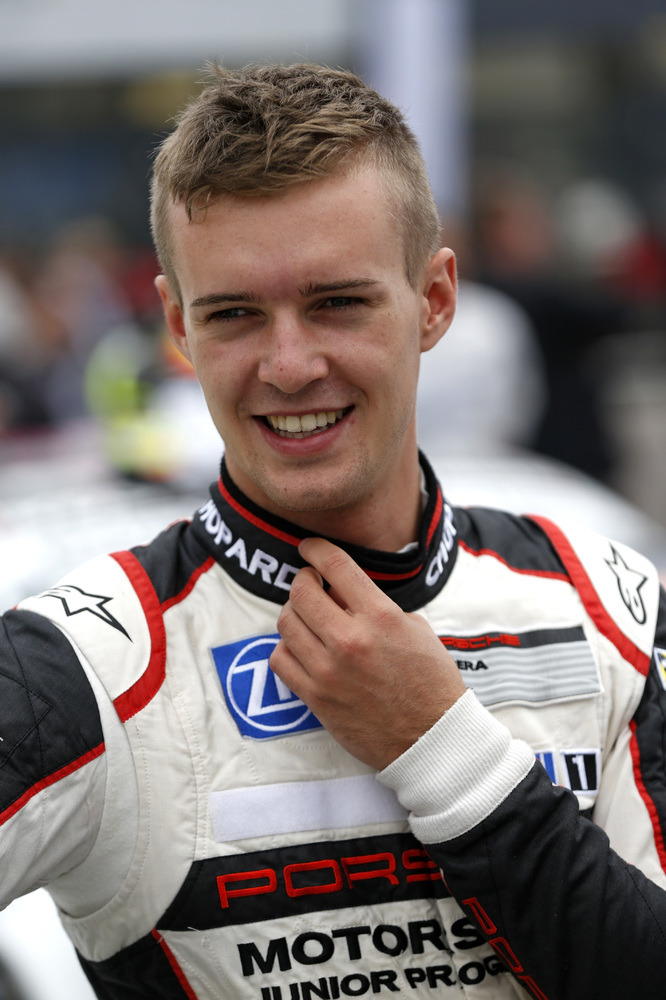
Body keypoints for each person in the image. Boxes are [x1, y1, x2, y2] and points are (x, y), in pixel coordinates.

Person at [1, 62, 665, 1000]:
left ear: (434, 300)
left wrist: (443, 749)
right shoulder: (85, 663)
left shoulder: (609, 607)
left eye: (337, 303)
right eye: (235, 314)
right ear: (179, 326)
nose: (289, 364)